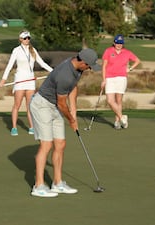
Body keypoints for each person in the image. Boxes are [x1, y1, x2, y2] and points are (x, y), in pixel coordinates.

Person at [29, 48, 101, 197]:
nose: (89, 69)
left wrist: (74, 110)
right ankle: (39, 186)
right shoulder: (65, 75)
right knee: (46, 145)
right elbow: (62, 104)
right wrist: (71, 119)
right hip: (42, 105)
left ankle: (57, 183)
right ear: (82, 62)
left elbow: (73, 87)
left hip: (53, 105)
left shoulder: (77, 69)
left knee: (60, 144)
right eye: (89, 66)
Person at [0, 30, 53, 136]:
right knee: (17, 105)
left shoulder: (33, 50)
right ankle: (14, 128)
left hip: (30, 81)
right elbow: (9, 65)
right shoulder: (16, 50)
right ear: (20, 39)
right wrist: (3, 79)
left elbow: (42, 63)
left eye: (28, 38)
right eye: (25, 38)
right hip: (19, 80)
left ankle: (31, 127)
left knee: (30, 106)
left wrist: (53, 71)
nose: (27, 40)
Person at [101, 34, 140, 130]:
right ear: (114, 43)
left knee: (119, 100)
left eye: (121, 43)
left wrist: (129, 69)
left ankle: (117, 121)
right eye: (117, 43)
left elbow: (137, 61)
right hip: (110, 78)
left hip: (121, 78)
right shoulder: (108, 51)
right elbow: (104, 66)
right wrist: (103, 79)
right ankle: (122, 117)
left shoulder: (127, 52)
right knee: (110, 101)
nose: (119, 45)